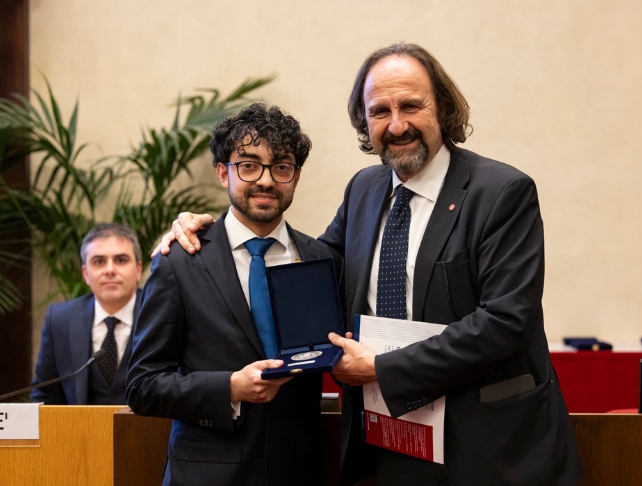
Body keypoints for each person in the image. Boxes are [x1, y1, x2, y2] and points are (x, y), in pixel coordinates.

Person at [157, 44, 583, 486]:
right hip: (394, 444)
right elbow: (310, 268)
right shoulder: (364, 189)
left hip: (487, 449)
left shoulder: (502, 192)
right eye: (379, 111)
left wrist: (383, 369)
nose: (396, 125)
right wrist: (216, 234)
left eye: (411, 106)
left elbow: (506, 322)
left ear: (442, 108)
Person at [126, 103, 338, 486]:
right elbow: (143, 386)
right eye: (249, 165)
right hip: (207, 473)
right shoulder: (181, 261)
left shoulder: (322, 259)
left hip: (298, 470)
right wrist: (230, 388)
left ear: (296, 176)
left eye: (281, 167)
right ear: (223, 172)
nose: (266, 181)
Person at [31, 223, 143, 405]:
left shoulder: (163, 315)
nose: (110, 270)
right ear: (86, 274)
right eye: (99, 262)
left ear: (138, 270)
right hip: (79, 424)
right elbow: (45, 395)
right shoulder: (60, 320)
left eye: (121, 260)